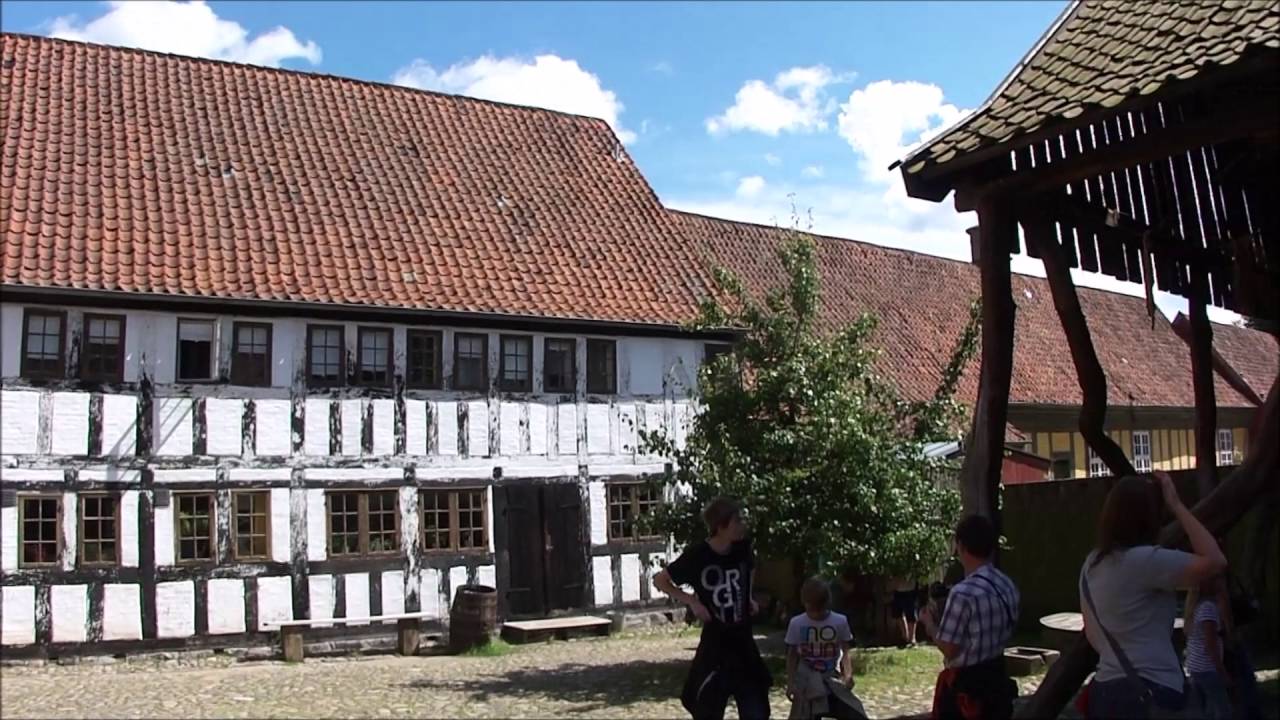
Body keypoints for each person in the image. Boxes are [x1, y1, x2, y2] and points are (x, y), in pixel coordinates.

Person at [1078, 471, 1227, 719]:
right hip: (1154, 687)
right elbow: (1215, 560)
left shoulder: (1091, 564)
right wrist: (1177, 506)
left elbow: (1094, 635)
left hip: (1105, 692)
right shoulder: (1146, 561)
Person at [654, 497, 772, 720]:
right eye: (737, 521)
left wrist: (747, 597)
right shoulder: (698, 556)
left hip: (743, 644)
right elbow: (660, 580)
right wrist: (693, 602)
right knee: (706, 710)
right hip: (716, 646)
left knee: (756, 710)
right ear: (721, 526)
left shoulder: (742, 549)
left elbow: (750, 567)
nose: (742, 525)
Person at [918, 514, 1020, 720]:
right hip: (997, 679)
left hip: (968, 690)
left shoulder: (962, 593)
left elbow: (950, 648)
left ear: (961, 546)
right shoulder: (1007, 584)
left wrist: (930, 625)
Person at [785, 577, 867, 720]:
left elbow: (846, 650)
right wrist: (791, 683)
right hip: (806, 680)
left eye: (819, 609)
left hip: (831, 678)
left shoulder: (839, 621)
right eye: (812, 609)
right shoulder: (797, 623)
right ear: (804, 603)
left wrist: (848, 675)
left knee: (854, 711)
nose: (815, 614)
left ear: (827, 603)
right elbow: (792, 655)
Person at [1183, 574, 1233, 719]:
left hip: (1195, 666)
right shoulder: (1208, 608)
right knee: (1223, 711)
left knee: (1206, 711)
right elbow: (1210, 644)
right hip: (1207, 668)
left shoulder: (1195, 607)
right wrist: (1222, 671)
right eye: (1217, 579)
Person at [888, 576, 920, 647]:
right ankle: (905, 636)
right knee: (898, 614)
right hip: (898, 589)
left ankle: (912, 638)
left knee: (911, 614)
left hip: (910, 589)